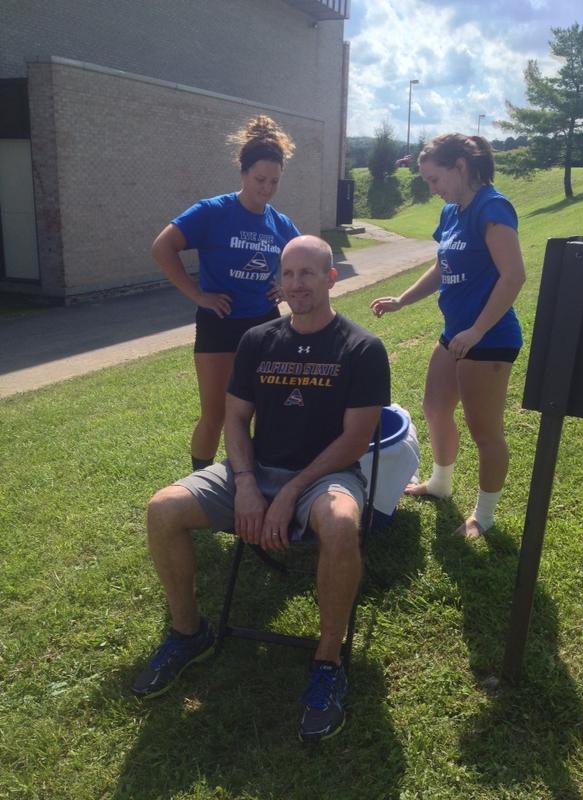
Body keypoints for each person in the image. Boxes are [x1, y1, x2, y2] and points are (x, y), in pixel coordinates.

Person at [133, 236, 391, 743]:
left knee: (341, 525)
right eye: (289, 274)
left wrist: (293, 491)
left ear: (331, 278)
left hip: (325, 476)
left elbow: (356, 439)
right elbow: (234, 418)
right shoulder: (258, 340)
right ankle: (189, 634)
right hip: (255, 469)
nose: (297, 284)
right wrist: (247, 483)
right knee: (163, 508)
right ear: (279, 280)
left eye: (309, 274)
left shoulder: (362, 347)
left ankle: (328, 660)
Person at [370, 134, 526, 539]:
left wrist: (477, 330)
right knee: (435, 407)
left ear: (460, 167)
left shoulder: (492, 207)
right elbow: (442, 267)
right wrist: (403, 300)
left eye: (434, 179)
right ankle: (440, 483)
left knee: (484, 430)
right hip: (454, 334)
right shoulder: (453, 213)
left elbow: (513, 276)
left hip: (488, 338)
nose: (432, 189)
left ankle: (484, 517)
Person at [151, 115, 300, 471]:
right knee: (215, 414)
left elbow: (304, 255)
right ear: (243, 173)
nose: (266, 188)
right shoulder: (212, 212)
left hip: (264, 325)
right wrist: (198, 295)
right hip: (219, 322)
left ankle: (255, 477)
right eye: (259, 179)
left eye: (274, 182)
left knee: (261, 409)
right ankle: (199, 485)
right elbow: (162, 247)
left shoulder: (279, 223)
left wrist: (285, 284)